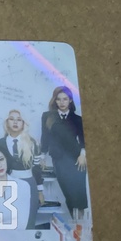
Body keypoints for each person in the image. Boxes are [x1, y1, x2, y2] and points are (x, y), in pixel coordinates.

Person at [41, 86, 88, 224]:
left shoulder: (77, 119)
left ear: (70, 100)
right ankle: (77, 223)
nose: (62, 102)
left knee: (79, 195)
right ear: (55, 100)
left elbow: (84, 140)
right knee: (69, 194)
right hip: (59, 159)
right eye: (59, 99)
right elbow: (45, 137)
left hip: (77, 160)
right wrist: (42, 156)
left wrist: (83, 155)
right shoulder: (48, 117)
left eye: (65, 99)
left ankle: (79, 225)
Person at [0, 110, 45, 229]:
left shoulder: (32, 142)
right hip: (7, 185)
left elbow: (37, 169)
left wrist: (40, 192)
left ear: (23, 123)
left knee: (28, 221)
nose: (15, 122)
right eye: (12, 119)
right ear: (7, 123)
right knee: (9, 222)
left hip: (29, 184)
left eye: (19, 120)